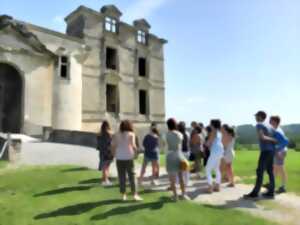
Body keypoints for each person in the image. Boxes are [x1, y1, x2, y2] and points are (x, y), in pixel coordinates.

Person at [244, 111, 277, 199]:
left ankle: (255, 193)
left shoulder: (259, 125)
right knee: (270, 171)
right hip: (271, 151)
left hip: (265, 151)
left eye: (256, 116)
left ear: (260, 116)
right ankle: (271, 192)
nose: (255, 117)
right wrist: (273, 140)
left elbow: (261, 137)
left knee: (260, 171)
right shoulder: (270, 126)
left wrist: (272, 139)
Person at [112, 120, 143, 201]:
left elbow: (113, 146)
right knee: (132, 176)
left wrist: (114, 154)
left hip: (119, 157)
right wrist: (136, 154)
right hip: (129, 157)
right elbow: (134, 146)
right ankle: (135, 195)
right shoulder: (131, 134)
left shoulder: (116, 134)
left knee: (121, 176)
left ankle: (123, 195)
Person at [166, 118, 189, 201]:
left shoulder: (166, 134)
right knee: (181, 177)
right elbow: (180, 144)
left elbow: (165, 145)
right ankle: (183, 194)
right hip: (179, 154)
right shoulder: (180, 134)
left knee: (172, 178)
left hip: (170, 155)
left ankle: (175, 196)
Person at [270, 116, 289, 194]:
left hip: (280, 152)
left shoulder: (278, 130)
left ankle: (283, 187)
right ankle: (272, 185)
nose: (270, 122)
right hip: (277, 151)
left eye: (271, 121)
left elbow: (286, 141)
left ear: (275, 122)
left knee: (281, 169)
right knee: (275, 169)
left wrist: (279, 149)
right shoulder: (276, 129)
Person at [205, 119, 224, 193]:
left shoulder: (213, 131)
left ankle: (210, 187)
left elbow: (209, 142)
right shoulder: (219, 132)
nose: (209, 125)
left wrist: (205, 144)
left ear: (213, 125)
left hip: (215, 150)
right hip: (220, 150)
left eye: (210, 124)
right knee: (216, 168)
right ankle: (217, 186)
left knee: (207, 169)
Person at [97, 121, 114, 186]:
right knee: (107, 167)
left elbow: (98, 144)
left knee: (104, 167)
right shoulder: (110, 134)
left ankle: (104, 180)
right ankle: (106, 180)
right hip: (109, 152)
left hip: (102, 152)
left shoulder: (99, 134)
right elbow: (111, 143)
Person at [178, 121, 190, 186]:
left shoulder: (179, 134)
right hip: (187, 151)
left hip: (181, 152)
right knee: (186, 168)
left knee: (180, 168)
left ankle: (179, 182)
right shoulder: (187, 133)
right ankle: (186, 182)